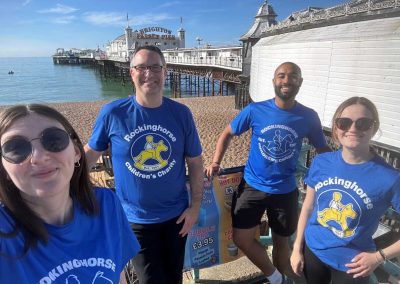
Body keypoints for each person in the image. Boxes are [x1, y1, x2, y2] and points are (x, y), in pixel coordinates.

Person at [85, 45, 204, 284]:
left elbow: (196, 161)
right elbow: (90, 153)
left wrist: (195, 207)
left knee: (173, 277)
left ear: (165, 71)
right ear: (131, 73)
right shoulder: (113, 113)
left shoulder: (181, 113)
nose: (149, 73)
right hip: (135, 221)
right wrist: (65, 186)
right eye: (141, 67)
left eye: (155, 67)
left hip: (177, 217)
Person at [205, 62, 330, 284]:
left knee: (282, 243)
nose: (287, 80)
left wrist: (339, 173)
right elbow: (226, 133)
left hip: (285, 190)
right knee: (241, 238)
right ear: (274, 81)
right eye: (281, 76)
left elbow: (323, 151)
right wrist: (216, 162)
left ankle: (280, 279)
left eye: (293, 76)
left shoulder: (309, 116)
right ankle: (274, 277)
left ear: (300, 82)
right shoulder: (255, 110)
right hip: (252, 186)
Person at [0, 104, 140, 283]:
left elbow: (118, 275)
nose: (39, 156)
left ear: (76, 151)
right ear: (3, 168)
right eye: (16, 148)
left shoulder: (105, 204)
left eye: (54, 140)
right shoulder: (5, 235)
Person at [290, 97, 400, 284]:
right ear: (336, 128)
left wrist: (378, 257)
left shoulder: (390, 177)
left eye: (363, 123)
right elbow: (308, 208)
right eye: (344, 122)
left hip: (353, 266)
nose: (353, 129)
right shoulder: (321, 162)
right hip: (312, 251)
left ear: (374, 127)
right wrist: (296, 249)